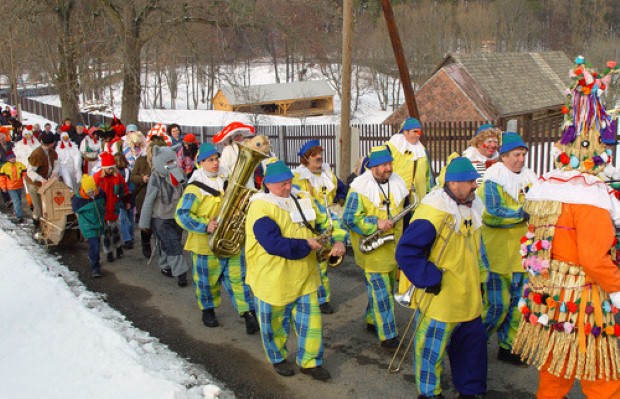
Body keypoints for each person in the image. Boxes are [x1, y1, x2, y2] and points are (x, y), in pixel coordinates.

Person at [511, 57, 620, 399]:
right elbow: (594, 257)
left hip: (550, 298)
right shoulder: (589, 196)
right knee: (602, 377)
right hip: (586, 300)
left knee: (554, 375)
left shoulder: (548, 191)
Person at [245, 160, 346, 381]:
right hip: (273, 279)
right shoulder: (260, 206)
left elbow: (329, 220)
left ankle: (310, 362)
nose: (288, 187)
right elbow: (274, 244)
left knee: (311, 324)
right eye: (282, 184)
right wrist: (306, 245)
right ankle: (277, 358)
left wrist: (339, 241)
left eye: (290, 182)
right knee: (274, 326)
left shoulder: (302, 197)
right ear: (268, 185)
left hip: (305, 276)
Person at [395, 156, 487, 399]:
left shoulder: (473, 205)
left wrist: (482, 282)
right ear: (454, 184)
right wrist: (429, 278)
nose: (475, 186)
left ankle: (471, 390)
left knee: (472, 348)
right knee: (431, 350)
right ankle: (429, 393)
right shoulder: (434, 210)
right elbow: (406, 251)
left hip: (469, 295)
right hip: (441, 297)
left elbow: (478, 251)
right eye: (470, 181)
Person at [175, 143, 259, 333]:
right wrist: (205, 225)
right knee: (206, 281)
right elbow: (182, 215)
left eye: (216, 159)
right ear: (201, 163)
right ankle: (208, 310)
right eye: (210, 160)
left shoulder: (226, 179)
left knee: (239, 278)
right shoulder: (195, 187)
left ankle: (248, 314)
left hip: (231, 239)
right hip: (205, 244)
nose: (215, 163)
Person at [477, 132, 537, 366]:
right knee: (497, 306)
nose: (520, 159)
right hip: (498, 255)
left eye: (523, 154)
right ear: (503, 156)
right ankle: (474, 343)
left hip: (522, 256)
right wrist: (522, 215)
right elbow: (491, 214)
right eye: (515, 155)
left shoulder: (530, 178)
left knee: (518, 305)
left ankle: (508, 346)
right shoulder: (493, 179)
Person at [343, 145, 408, 350]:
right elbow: (349, 219)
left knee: (384, 288)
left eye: (390, 163)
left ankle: (372, 319)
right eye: (384, 165)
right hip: (372, 250)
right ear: (373, 167)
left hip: (393, 248)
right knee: (382, 293)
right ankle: (388, 335)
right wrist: (375, 222)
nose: (389, 168)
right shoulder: (359, 188)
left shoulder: (398, 182)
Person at [292, 139, 347, 314]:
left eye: (319, 154)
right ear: (305, 159)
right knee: (306, 264)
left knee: (322, 263)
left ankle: (323, 299)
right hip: (306, 222)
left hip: (328, 221)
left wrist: (340, 200)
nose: (319, 157)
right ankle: (302, 297)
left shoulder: (328, 175)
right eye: (314, 154)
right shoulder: (297, 177)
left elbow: (342, 189)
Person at [138, 144, 188, 287]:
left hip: (177, 216)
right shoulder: (155, 178)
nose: (171, 165)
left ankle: (165, 265)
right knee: (172, 243)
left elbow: (186, 192)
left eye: (172, 161)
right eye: (167, 162)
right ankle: (181, 273)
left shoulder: (180, 174)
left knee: (172, 242)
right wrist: (144, 223)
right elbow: (149, 200)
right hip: (160, 217)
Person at [131, 129, 168, 259]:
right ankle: (145, 241)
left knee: (161, 222)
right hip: (144, 195)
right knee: (146, 225)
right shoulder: (141, 161)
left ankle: (163, 248)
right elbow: (133, 177)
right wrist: (143, 179)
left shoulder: (166, 162)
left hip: (161, 196)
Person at [93, 152, 130, 263]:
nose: (110, 171)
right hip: (102, 210)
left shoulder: (117, 176)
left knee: (115, 229)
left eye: (111, 168)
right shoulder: (97, 178)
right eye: (108, 168)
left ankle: (118, 248)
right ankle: (108, 252)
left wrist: (126, 201)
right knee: (105, 233)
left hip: (113, 207)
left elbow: (124, 190)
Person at [72, 174, 106, 278]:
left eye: (93, 191)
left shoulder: (99, 193)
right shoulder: (79, 199)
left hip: (99, 223)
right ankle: (96, 268)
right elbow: (76, 210)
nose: (91, 193)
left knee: (96, 244)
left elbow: (104, 202)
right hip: (88, 225)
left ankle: (92, 257)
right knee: (95, 244)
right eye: (89, 192)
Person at [25, 133, 59, 226]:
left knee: (46, 203)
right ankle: (36, 223)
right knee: (38, 207)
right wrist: (41, 179)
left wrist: (55, 172)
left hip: (46, 181)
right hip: (34, 183)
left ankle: (46, 222)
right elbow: (30, 172)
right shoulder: (37, 154)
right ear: (51, 144)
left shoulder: (51, 151)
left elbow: (56, 163)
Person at [213, 121, 255, 186]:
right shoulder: (228, 150)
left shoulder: (247, 148)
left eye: (240, 135)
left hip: (249, 182)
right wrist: (221, 183)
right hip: (235, 184)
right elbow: (224, 168)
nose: (239, 138)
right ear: (232, 137)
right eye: (236, 136)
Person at [0, 151, 27, 223]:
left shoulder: (20, 165)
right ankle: (19, 217)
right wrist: (3, 187)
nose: (12, 159)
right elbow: (2, 178)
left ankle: (16, 212)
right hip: (11, 187)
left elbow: (25, 174)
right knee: (16, 201)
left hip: (19, 186)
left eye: (13, 157)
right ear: (7, 159)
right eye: (11, 157)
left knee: (19, 201)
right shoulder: (4, 167)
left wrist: (26, 181)